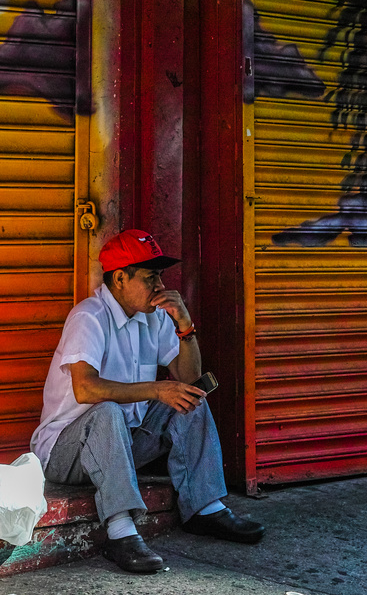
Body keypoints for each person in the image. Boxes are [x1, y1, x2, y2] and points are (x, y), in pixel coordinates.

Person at [31, 228, 265, 573]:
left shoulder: (153, 317)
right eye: (150, 276)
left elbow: (187, 377)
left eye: (160, 276)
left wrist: (185, 326)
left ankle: (206, 509)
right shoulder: (89, 317)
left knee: (190, 399)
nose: (159, 285)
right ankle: (121, 532)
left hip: (122, 442)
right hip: (65, 453)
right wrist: (156, 390)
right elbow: (86, 390)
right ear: (120, 278)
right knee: (107, 411)